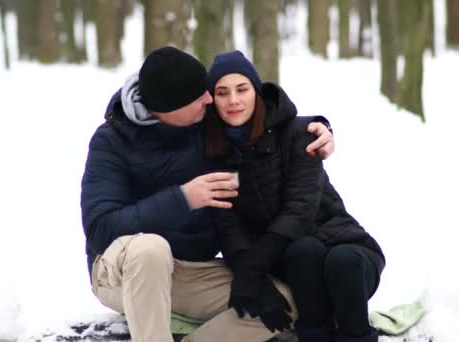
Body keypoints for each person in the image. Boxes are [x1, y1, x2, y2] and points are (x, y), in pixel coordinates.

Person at [80, 46, 335, 342]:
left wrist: (317, 130)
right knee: (150, 249)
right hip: (120, 272)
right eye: (199, 95)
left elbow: (267, 120)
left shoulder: (205, 121)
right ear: (168, 107)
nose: (210, 99)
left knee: (287, 301)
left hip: (189, 271)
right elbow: (100, 228)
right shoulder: (111, 141)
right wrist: (183, 198)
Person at [205, 50, 385, 342]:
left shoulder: (300, 133)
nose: (233, 100)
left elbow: (300, 209)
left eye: (242, 89)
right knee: (303, 252)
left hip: (346, 252)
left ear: (257, 92)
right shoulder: (215, 153)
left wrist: (253, 266)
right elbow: (228, 226)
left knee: (339, 260)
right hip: (294, 263)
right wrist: (255, 280)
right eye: (222, 93)